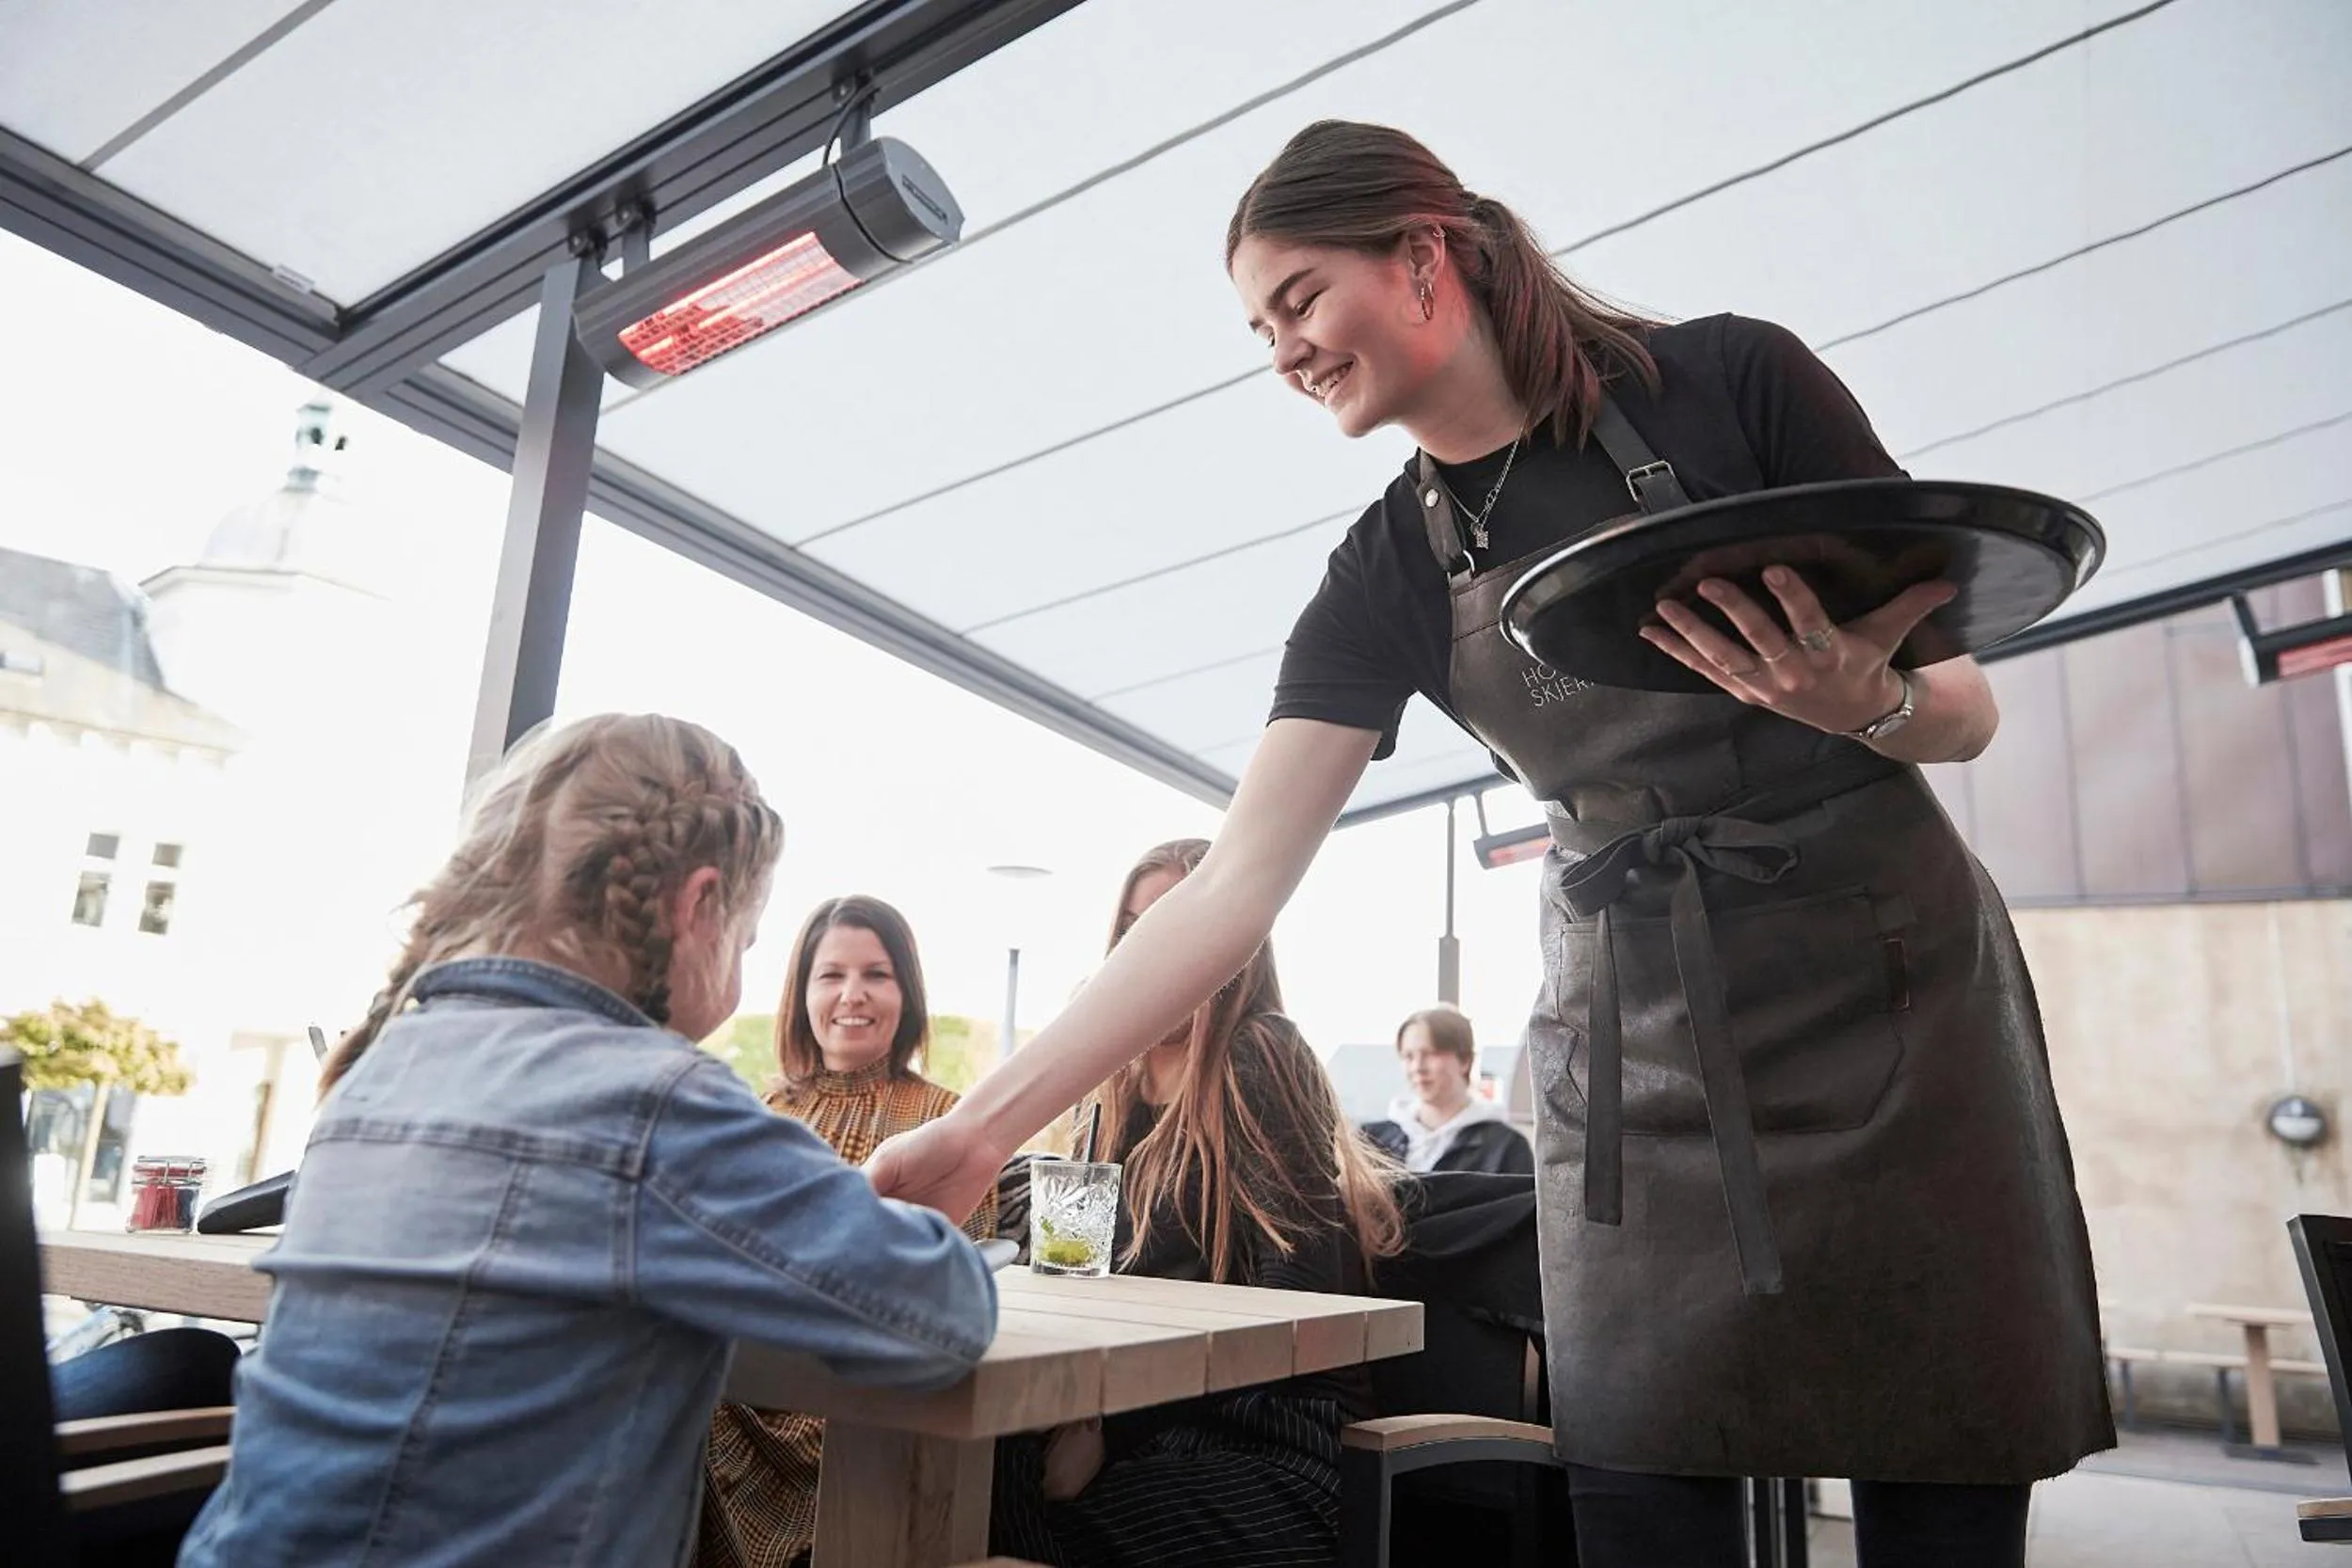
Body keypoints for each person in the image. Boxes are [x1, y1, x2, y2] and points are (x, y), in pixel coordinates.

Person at [869, 121, 2111, 1568]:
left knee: (1946, 1459)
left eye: (1298, 299)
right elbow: (1231, 888)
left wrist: (1869, 695)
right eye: (1259, 326)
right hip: (1633, 1045)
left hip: (1897, 999)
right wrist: (978, 1130)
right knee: (1640, 1487)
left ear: (1422, 257)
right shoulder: (1383, 571)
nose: (1282, 350)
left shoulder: (1731, 380)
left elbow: (1966, 711)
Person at [178, 714, 997, 1568]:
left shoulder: (383, 1065)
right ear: (695, 905)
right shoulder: (653, 1099)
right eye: (746, 939)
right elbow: (943, 1314)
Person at [988, 838, 1405, 1568]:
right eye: (1133, 927)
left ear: (1233, 936)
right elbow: (1077, 1276)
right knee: (973, 1479)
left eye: (1177, 921)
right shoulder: (1109, 1079)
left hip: (1269, 1435)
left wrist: (1110, 1435)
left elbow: (1294, 1309)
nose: (1148, 946)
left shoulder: (1260, 1052)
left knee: (1048, 1529)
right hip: (1134, 1414)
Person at [698, 895, 996, 1568]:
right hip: (745, 1389)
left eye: (876, 974)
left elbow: (956, 1277)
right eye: (831, 974)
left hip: (864, 1400)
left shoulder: (948, 1122)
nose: (852, 995)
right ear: (802, 993)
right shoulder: (762, 1114)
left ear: (906, 991)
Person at [1360, 1006, 1532, 1176]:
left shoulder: (1505, 1147)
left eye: (1430, 1054)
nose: (1417, 1067)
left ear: (1464, 1060)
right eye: (1408, 1056)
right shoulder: (1371, 1140)